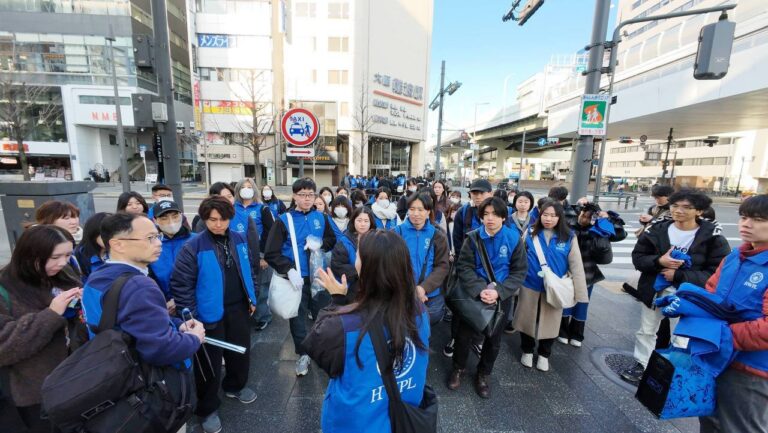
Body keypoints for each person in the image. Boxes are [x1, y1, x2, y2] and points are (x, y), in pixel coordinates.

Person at [81, 212, 204, 430]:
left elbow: (129, 322)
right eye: (149, 238)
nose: (158, 243)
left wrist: (175, 324)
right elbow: (161, 349)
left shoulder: (98, 276)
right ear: (118, 244)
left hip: (116, 377)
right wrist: (194, 338)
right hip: (149, 385)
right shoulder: (138, 285)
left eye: (157, 236)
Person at [304, 230, 430, 433]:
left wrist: (337, 301)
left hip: (356, 423)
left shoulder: (343, 325)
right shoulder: (419, 310)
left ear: (365, 266)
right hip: (405, 415)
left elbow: (320, 353)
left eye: (358, 255)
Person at [620, 190, 731, 384]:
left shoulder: (712, 237)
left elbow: (717, 272)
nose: (678, 211)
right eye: (675, 206)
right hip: (655, 288)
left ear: (699, 211)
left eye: (686, 207)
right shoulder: (657, 229)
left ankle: (673, 371)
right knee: (647, 329)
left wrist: (679, 275)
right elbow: (638, 258)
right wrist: (658, 261)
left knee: (681, 334)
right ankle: (641, 365)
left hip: (689, 294)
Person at [171, 196, 258, 433]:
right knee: (208, 364)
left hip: (239, 307)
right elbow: (181, 285)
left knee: (240, 352)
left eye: (223, 219)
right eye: (212, 220)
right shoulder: (194, 246)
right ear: (205, 219)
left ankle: (235, 385)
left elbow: (249, 269)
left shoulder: (239, 238)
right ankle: (207, 408)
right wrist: (192, 317)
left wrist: (253, 296)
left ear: (230, 218)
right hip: (207, 314)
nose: (218, 224)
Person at [696, 194, 768, 433]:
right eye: (744, 217)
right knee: (710, 420)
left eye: (758, 219)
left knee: (740, 427)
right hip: (718, 357)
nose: (746, 224)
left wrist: (720, 335)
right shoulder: (735, 256)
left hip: (751, 369)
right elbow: (711, 292)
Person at [0, 225, 83, 433]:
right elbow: (5, 346)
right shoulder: (5, 289)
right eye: (55, 257)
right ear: (30, 255)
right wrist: (52, 314)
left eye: (68, 255)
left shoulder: (63, 275)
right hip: (31, 395)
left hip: (72, 383)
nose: (63, 263)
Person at [448, 197, 527, 397]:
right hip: (473, 295)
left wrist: (499, 292)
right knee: (463, 335)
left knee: (493, 339)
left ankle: (483, 373)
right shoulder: (473, 238)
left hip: (501, 297)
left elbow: (519, 272)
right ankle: (458, 368)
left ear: (503, 216)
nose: (490, 218)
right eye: (486, 214)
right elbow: (463, 266)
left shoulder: (513, 238)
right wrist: (479, 289)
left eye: (495, 214)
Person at [265, 178, 337, 377]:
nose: (307, 199)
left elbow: (332, 240)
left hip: (318, 276)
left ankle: (322, 349)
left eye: (311, 195)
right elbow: (271, 252)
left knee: (323, 315)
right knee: (297, 318)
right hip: (295, 279)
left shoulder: (321, 217)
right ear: (294, 196)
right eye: (302, 195)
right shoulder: (283, 220)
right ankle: (303, 354)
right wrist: (288, 269)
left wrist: (320, 244)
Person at [514, 200, 589, 372]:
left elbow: (576, 265)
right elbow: (519, 258)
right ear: (540, 215)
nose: (549, 219)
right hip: (530, 284)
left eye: (553, 215)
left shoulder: (569, 237)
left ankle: (544, 354)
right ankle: (526, 350)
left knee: (551, 322)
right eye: (545, 215)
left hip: (555, 288)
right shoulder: (531, 232)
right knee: (526, 320)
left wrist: (580, 294)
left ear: (559, 217)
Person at [558, 202, 626, 347]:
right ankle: (563, 331)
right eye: (582, 215)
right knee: (566, 302)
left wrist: (605, 219)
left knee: (582, 303)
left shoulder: (598, 229)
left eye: (588, 217)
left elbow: (620, 234)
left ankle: (577, 334)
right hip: (568, 271)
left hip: (588, 273)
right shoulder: (570, 225)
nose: (584, 219)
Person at [444, 179, 494, 357]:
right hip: (467, 269)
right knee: (461, 305)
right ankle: (455, 338)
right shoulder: (464, 213)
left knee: (485, 305)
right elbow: (457, 241)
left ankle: (478, 340)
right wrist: (463, 265)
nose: (478, 196)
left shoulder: (497, 212)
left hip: (490, 271)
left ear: (490, 193)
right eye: (474, 192)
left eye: (482, 192)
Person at [395, 192, 450, 325]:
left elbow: (442, 266)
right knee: (402, 329)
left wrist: (423, 288)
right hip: (402, 293)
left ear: (428, 212)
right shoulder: (397, 233)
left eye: (421, 210)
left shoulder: (438, 235)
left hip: (430, 295)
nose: (416, 214)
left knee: (425, 329)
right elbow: (391, 264)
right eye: (412, 209)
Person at [149, 200, 191, 310]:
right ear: (155, 221)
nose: (171, 222)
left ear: (181, 216)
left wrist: (178, 300)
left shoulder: (196, 240)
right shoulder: (150, 244)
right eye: (164, 218)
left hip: (193, 303)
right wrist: (162, 302)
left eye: (175, 216)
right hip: (163, 306)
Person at [330, 206, 375, 303]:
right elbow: (337, 264)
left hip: (373, 288)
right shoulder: (344, 241)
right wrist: (360, 272)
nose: (362, 224)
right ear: (353, 221)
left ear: (371, 222)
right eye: (359, 220)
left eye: (366, 221)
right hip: (351, 289)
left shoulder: (377, 240)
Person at [74, 212, 112, 281]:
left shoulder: (118, 253)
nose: (111, 238)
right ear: (94, 232)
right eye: (106, 233)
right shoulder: (79, 256)